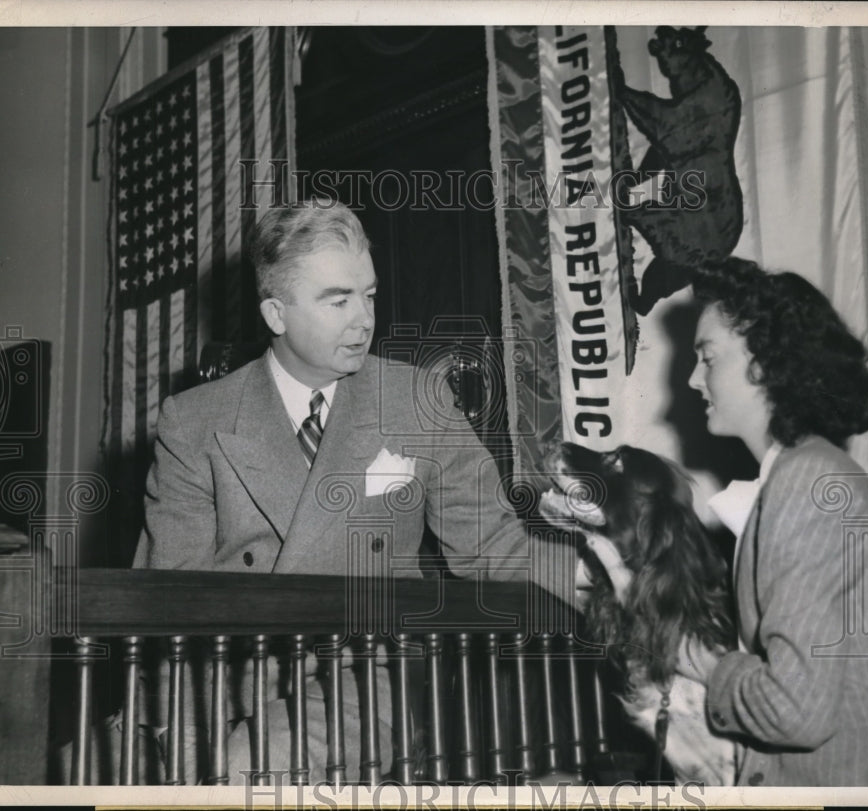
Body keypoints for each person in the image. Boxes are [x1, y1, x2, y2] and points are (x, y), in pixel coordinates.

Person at [132, 199, 569, 784]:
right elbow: (171, 594)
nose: (363, 319)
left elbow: (495, 549)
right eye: (337, 300)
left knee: (250, 772)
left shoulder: (418, 400)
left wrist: (600, 576)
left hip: (363, 668)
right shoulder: (194, 420)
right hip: (224, 669)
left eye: (368, 294)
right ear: (276, 313)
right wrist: (174, 728)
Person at [664, 258, 868, 786]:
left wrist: (707, 664)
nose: (694, 379)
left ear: (764, 363)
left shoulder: (807, 480)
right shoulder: (804, 474)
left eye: (708, 357)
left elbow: (795, 710)